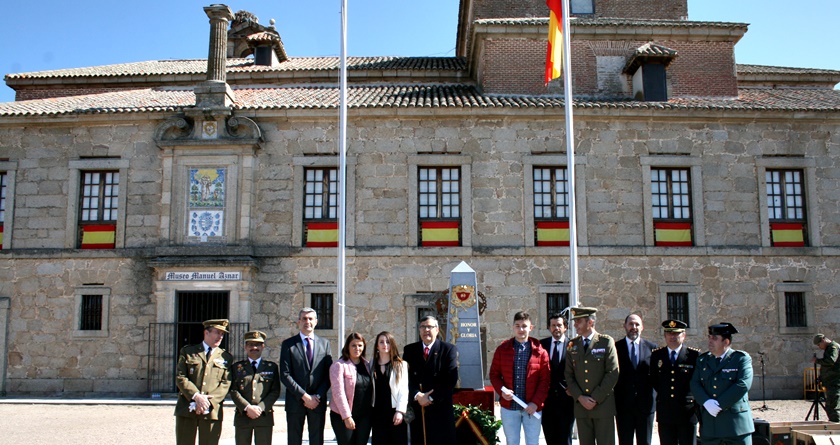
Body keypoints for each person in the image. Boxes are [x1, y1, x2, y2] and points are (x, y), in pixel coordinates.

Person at [490, 311, 551, 445]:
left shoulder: (540, 352)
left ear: (531, 328)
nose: (521, 329)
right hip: (510, 407)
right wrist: (502, 391)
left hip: (531, 407)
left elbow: (545, 381)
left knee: (533, 442)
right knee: (512, 442)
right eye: (517, 326)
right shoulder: (502, 349)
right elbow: (494, 375)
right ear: (513, 327)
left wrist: (535, 403)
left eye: (524, 326)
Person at [690, 323, 754, 445]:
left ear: (726, 342)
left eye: (714, 338)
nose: (710, 341)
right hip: (710, 427)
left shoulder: (740, 359)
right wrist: (706, 402)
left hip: (736, 426)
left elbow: (743, 384)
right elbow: (694, 383)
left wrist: (720, 404)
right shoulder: (703, 360)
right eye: (709, 337)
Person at [174, 318, 234, 445]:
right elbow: (180, 376)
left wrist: (207, 402)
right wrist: (196, 397)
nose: (220, 337)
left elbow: (226, 383)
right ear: (206, 333)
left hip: (211, 410)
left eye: (222, 334)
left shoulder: (226, 357)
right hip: (187, 408)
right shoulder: (188, 352)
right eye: (217, 332)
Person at [564, 307, 619, 445]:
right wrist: (580, 397)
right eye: (575, 322)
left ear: (590, 322)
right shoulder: (572, 344)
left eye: (579, 321)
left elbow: (612, 372)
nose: (575, 325)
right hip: (581, 408)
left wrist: (595, 398)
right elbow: (569, 375)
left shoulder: (606, 342)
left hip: (602, 406)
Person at [280, 308, 333, 445]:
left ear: (316, 322)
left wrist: (317, 396)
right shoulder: (288, 344)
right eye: (304, 319)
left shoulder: (325, 344)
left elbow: (328, 374)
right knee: (294, 440)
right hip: (295, 401)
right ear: (299, 322)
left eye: (310, 319)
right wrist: (305, 396)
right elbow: (285, 375)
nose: (307, 322)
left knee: (317, 440)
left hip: (317, 402)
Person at [403, 315, 459, 445]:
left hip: (440, 406)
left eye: (430, 327)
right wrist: (417, 395)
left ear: (437, 330)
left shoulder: (448, 349)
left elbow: (451, 379)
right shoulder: (410, 350)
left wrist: (430, 398)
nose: (426, 330)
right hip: (418, 407)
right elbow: (405, 377)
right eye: (423, 327)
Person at [649, 320, 700, 445]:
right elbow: (654, 380)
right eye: (669, 333)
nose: (672, 337)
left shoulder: (693, 355)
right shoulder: (657, 355)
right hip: (665, 411)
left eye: (676, 334)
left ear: (684, 335)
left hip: (686, 411)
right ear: (665, 336)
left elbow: (697, 381)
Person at [229, 330, 282, 445]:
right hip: (243, 415)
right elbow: (233, 390)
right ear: (245, 347)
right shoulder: (236, 367)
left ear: (263, 347)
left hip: (263, 416)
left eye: (257, 345)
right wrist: (247, 407)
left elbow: (275, 391)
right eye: (251, 345)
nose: (254, 348)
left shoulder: (271, 367)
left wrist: (260, 408)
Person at [615, 314, 658, 445]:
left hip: (646, 406)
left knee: (645, 442)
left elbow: (656, 376)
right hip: (623, 405)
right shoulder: (616, 348)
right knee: (625, 441)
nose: (634, 327)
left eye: (637, 324)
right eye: (631, 324)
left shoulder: (652, 348)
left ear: (642, 327)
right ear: (624, 326)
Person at [329, 332, 374, 445]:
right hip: (343, 416)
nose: (357, 348)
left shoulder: (368, 365)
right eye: (353, 345)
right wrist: (347, 417)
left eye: (360, 345)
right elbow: (338, 393)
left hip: (364, 416)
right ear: (347, 347)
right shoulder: (339, 365)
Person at [540, 312, 575, 445]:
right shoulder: (542, 345)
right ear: (549, 328)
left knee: (565, 439)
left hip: (567, 400)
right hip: (547, 401)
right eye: (553, 325)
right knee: (550, 438)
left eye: (559, 325)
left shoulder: (573, 345)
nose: (556, 328)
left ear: (565, 327)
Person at [371, 331, 409, 445]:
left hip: (394, 411)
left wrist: (400, 411)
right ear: (377, 346)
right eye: (381, 342)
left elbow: (404, 390)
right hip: (377, 412)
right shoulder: (371, 364)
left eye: (388, 342)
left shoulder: (400, 365)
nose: (385, 345)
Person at [811, 333, 839, 422]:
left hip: (835, 382)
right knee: (830, 406)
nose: (819, 347)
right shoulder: (828, 349)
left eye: (819, 344)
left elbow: (831, 361)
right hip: (831, 381)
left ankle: (836, 426)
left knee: (833, 407)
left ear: (823, 340)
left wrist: (817, 361)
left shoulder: (833, 347)